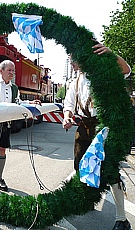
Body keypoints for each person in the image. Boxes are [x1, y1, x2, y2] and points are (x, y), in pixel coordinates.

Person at [62, 42, 132, 230]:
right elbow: (68, 104)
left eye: (73, 60)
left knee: (109, 170)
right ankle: (87, 199)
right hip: (84, 126)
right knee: (79, 166)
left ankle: (121, 219)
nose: (72, 64)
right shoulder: (75, 81)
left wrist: (111, 54)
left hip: (104, 126)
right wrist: (67, 117)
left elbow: (126, 70)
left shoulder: (103, 70)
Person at [0, 60, 41, 191]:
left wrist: (31, 103)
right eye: (9, 70)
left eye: (13, 70)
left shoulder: (14, 88)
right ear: (1, 71)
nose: (12, 73)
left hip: (5, 124)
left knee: (2, 150)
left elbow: (18, 102)